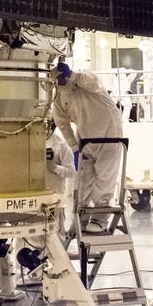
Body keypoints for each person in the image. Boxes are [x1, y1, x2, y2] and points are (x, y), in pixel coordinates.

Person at [52, 61, 124, 219]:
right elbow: (61, 123)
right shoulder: (59, 97)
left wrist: (73, 75)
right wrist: (74, 147)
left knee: (104, 179)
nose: (61, 82)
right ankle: (80, 218)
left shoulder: (83, 80)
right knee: (82, 180)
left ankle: (100, 219)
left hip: (109, 134)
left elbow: (94, 84)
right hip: (86, 138)